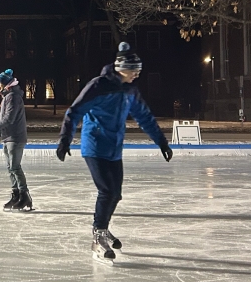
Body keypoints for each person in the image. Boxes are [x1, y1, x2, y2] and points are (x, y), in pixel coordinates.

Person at [56, 41, 173, 260]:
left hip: (114, 149)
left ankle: (103, 227)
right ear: (122, 68)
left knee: (116, 194)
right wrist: (65, 140)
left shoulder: (130, 90)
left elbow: (145, 117)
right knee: (107, 191)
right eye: (134, 71)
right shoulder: (98, 86)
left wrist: (162, 142)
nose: (137, 75)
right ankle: (97, 235)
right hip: (94, 146)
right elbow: (74, 112)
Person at [0, 68, 31, 211]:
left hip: (16, 137)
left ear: (6, 84)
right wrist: (0, 131)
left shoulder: (13, 97)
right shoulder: (8, 97)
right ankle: (16, 195)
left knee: (14, 167)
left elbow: (9, 118)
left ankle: (24, 196)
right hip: (8, 137)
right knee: (10, 167)